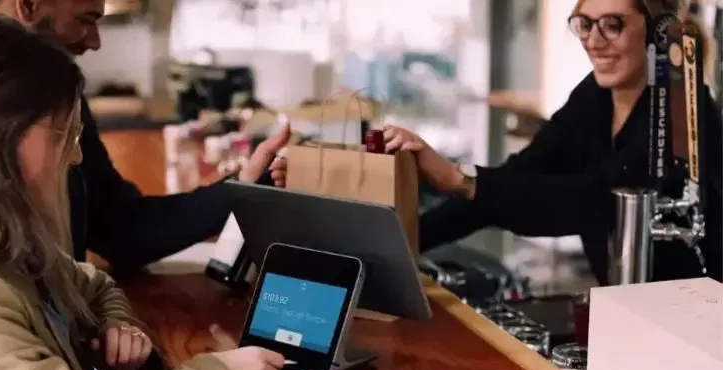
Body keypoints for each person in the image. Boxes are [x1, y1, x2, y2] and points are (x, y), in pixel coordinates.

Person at [0, 10, 285, 370]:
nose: (74, 158)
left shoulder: (1, 247)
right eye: (60, 133)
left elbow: (93, 282)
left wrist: (118, 324)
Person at [274, 0, 723, 285]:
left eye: (612, 24)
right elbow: (519, 177)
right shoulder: (595, 96)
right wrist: (395, 248)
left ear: (657, 31)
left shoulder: (684, 115)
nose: (593, 40)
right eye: (583, 23)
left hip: (696, 319)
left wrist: (459, 179)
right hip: (630, 309)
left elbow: (592, 202)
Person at [0, 0, 291, 271]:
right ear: (29, 4)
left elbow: (121, 228)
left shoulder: (60, 97)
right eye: (86, 19)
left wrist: (244, 186)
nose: (95, 42)